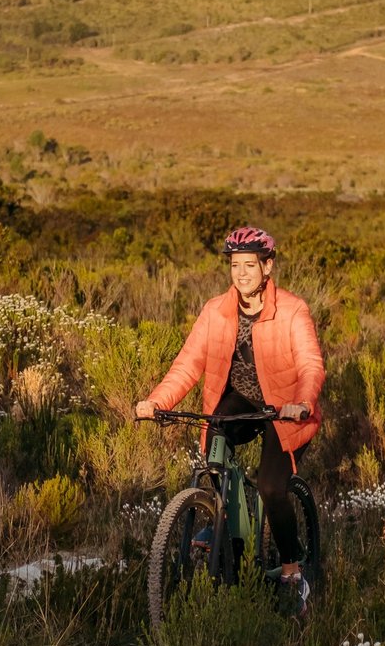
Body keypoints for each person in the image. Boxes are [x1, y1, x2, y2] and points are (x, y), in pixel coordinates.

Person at [135, 226, 324, 608]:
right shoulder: (215, 312)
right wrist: (156, 401)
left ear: (267, 267)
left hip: (285, 407)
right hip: (242, 399)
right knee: (215, 441)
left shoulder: (292, 310)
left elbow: (310, 364)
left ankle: (292, 572)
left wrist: (301, 403)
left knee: (272, 486)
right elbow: (187, 365)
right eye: (235, 265)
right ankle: (225, 526)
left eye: (249, 266)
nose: (241, 273)